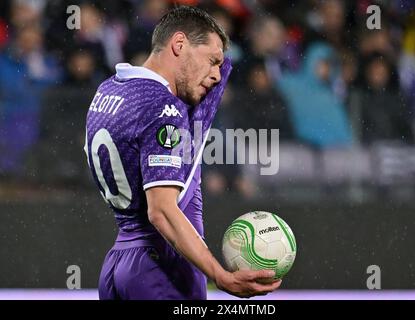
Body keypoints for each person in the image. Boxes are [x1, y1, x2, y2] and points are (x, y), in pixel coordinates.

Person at [84, 6, 281, 300]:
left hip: (118, 265)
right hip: (161, 269)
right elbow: (161, 210)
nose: (216, 74)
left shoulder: (110, 91)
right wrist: (219, 275)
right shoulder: (163, 108)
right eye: (213, 61)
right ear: (179, 44)